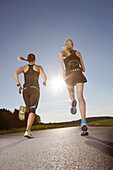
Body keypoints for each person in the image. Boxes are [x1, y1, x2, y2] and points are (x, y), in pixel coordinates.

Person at [59, 39, 88, 136]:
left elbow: (62, 68)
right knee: (81, 97)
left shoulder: (61, 53)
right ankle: (83, 121)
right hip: (78, 74)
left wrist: (64, 74)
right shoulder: (78, 53)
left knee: (71, 93)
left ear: (65, 45)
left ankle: (72, 100)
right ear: (73, 45)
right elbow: (83, 68)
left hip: (69, 76)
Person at [14, 53, 47, 138]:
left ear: (27, 60)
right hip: (34, 90)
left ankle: (24, 109)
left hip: (25, 90)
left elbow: (15, 73)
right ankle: (28, 130)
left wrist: (18, 85)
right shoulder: (39, 67)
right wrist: (44, 82)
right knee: (32, 110)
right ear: (35, 60)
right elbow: (45, 78)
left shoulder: (24, 68)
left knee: (28, 108)